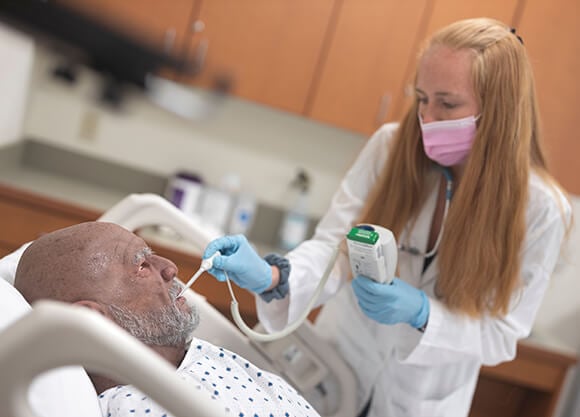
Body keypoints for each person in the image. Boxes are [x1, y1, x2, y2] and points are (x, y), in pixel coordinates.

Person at [201, 17, 572, 417]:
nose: (427, 117)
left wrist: (423, 313)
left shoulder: (540, 208)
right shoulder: (389, 148)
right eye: (422, 97)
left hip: (418, 402)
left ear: (499, 110)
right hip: (333, 370)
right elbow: (335, 248)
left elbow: (502, 335)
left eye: (447, 103)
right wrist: (273, 277)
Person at [13, 221, 320, 417]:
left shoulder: (188, 359)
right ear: (93, 321)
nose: (170, 268)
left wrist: (271, 278)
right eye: (141, 265)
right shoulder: (143, 406)